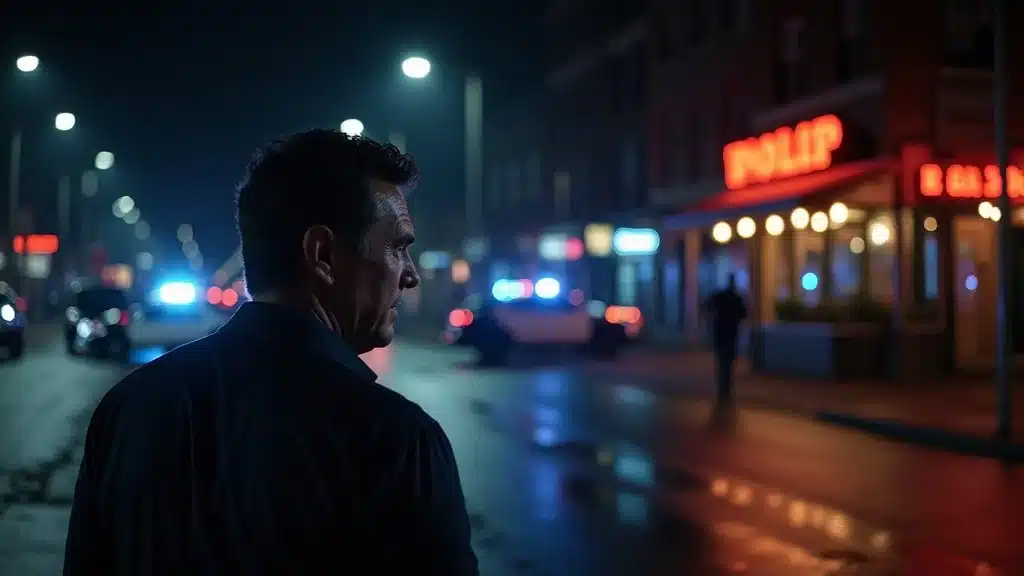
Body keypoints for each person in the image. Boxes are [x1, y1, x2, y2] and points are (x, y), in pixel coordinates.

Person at [64, 130, 479, 575]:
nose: (410, 276)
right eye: (397, 247)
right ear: (323, 254)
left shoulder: (128, 409)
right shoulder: (396, 441)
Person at [706, 273, 748, 404]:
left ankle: (722, 386)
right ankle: (726, 386)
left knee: (722, 360)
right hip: (731, 333)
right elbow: (744, 314)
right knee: (728, 360)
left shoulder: (721, 296)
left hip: (721, 332)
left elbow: (709, 306)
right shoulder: (736, 298)